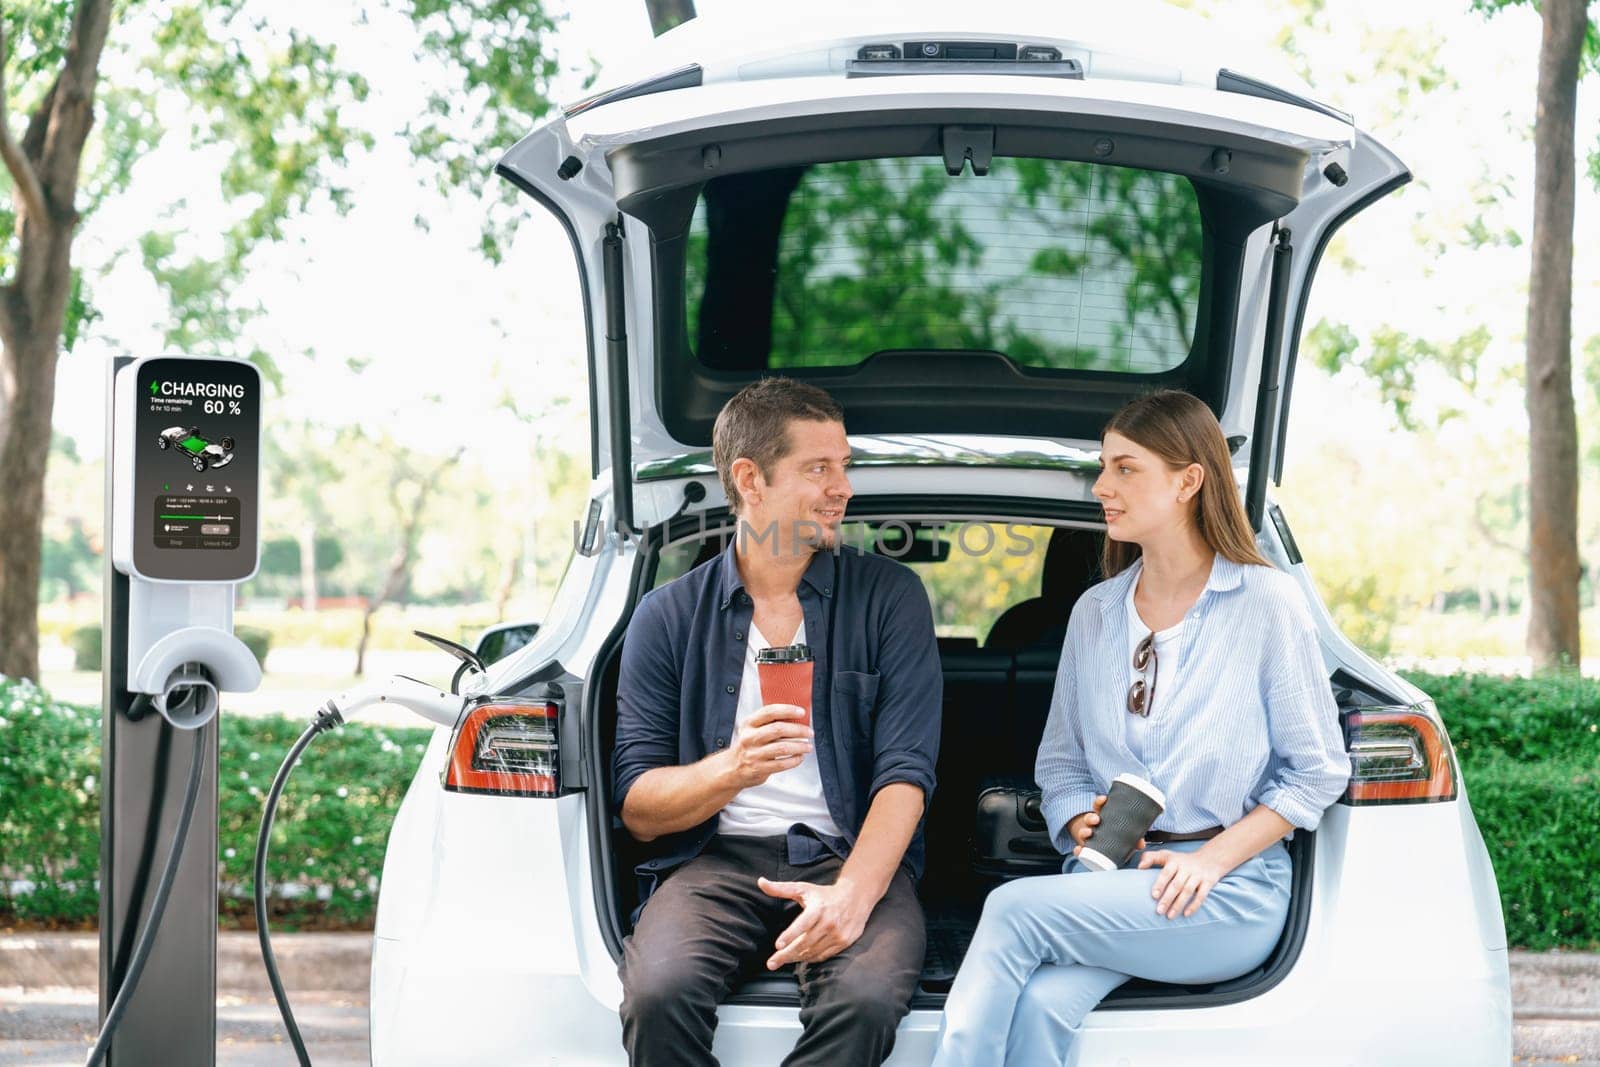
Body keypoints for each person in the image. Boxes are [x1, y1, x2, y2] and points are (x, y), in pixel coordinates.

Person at [932, 389, 1352, 1066]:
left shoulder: (1266, 602)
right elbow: (1062, 764)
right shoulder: (1096, 612)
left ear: (1189, 480)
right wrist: (1078, 823)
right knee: (1040, 1005)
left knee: (1010, 910)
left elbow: (1318, 769)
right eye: (1103, 466)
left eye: (1125, 468)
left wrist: (1212, 857)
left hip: (1227, 890)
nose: (1102, 486)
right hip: (1111, 882)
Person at [613, 376, 942, 1067]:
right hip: (714, 863)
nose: (842, 486)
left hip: (847, 854)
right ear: (750, 479)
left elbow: (905, 775)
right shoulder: (667, 616)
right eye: (819, 467)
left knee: (864, 1001)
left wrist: (853, 895)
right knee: (658, 994)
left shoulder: (890, 598)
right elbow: (639, 808)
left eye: (844, 464)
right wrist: (732, 768)